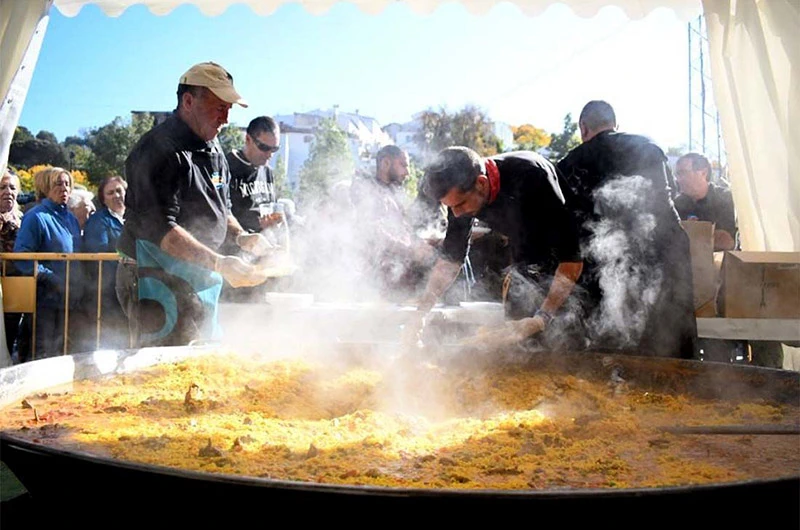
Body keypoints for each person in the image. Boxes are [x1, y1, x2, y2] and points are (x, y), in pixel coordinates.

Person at [116, 61, 274, 348]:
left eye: (229, 109)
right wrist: (218, 262)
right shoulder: (156, 149)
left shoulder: (214, 149)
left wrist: (241, 237)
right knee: (162, 365)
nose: (226, 118)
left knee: (201, 356)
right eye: (219, 108)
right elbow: (161, 229)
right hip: (153, 275)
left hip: (199, 275)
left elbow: (221, 209)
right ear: (189, 101)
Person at [557, 100, 697, 359]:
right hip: (663, 255)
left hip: (603, 269)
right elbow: (666, 204)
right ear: (614, 124)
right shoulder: (648, 147)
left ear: (583, 128)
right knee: (668, 347)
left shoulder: (569, 164)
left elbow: (568, 225)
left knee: (609, 351)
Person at [407, 146, 584, 352]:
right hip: (524, 264)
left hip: (568, 267)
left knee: (562, 347)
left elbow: (572, 258)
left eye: (460, 204)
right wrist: (421, 313)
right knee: (517, 347)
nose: (455, 214)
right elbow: (450, 260)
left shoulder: (533, 176)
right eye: (450, 207)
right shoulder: (460, 195)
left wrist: (541, 318)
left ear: (481, 183)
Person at [350, 145, 438, 301]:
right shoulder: (368, 192)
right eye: (403, 165)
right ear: (385, 163)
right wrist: (410, 249)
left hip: (400, 276)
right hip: (380, 280)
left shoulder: (391, 192)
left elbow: (401, 231)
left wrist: (422, 243)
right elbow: (374, 232)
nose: (408, 172)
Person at [13, 167, 84, 359]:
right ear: (45, 187)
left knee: (62, 349)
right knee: (42, 350)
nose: (65, 188)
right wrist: (51, 278)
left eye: (68, 184)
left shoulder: (71, 219)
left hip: (68, 296)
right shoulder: (36, 217)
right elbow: (22, 257)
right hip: (44, 299)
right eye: (58, 184)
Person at [83, 175, 128, 349]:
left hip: (135, 285)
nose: (116, 195)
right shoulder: (98, 221)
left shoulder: (135, 217)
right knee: (114, 334)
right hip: (109, 289)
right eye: (110, 193)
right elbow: (98, 254)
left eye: (119, 190)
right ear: (103, 198)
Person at [226, 116, 283, 235]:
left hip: (263, 245)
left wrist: (273, 222)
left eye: (274, 149)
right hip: (235, 247)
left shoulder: (268, 172)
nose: (269, 155)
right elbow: (220, 214)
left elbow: (272, 208)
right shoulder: (226, 167)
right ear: (248, 139)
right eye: (264, 148)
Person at [673, 152, 738, 251]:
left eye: (682, 173)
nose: (678, 179)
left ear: (703, 173)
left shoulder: (727, 199)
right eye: (677, 174)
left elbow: (730, 242)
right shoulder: (676, 205)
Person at [0, 170, 24, 359]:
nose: (8, 191)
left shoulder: (22, 219)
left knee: (10, 333)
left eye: (12, 187)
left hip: (16, 286)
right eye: (2, 187)